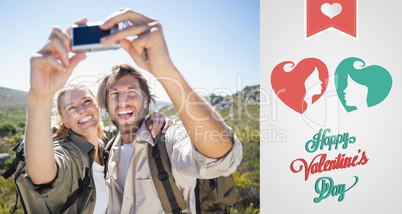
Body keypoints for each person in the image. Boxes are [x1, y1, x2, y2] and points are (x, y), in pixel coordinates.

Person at [96, 9, 243, 213]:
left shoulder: (167, 139)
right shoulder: (106, 150)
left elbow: (220, 159)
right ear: (106, 105)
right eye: (114, 94)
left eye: (132, 92)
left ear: (146, 101)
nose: (122, 100)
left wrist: (164, 69)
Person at [24, 19, 171, 213]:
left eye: (86, 101)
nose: (82, 109)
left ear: (98, 106)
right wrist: (39, 99)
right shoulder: (70, 153)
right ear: (64, 123)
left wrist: (153, 119)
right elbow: (42, 175)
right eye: (71, 108)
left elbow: (130, 126)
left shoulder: (109, 144)